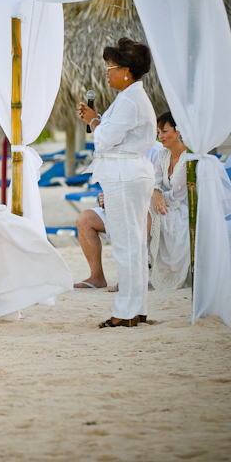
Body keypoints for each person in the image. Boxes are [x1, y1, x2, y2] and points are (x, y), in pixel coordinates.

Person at [78, 38, 157, 328]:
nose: (107, 73)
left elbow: (106, 138)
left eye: (111, 68)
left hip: (125, 174)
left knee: (126, 244)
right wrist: (97, 118)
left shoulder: (131, 100)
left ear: (126, 70)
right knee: (134, 244)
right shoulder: (130, 97)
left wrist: (94, 120)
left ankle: (124, 312)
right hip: (128, 172)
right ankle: (137, 308)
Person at [72, 142, 161, 291]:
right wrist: (105, 199)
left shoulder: (157, 151)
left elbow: (158, 189)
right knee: (84, 219)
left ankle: (134, 275)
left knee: (138, 217)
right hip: (118, 206)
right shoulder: (113, 148)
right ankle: (97, 277)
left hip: (146, 208)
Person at [147, 112, 191, 291]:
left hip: (182, 208)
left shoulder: (189, 158)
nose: (160, 136)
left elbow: (177, 195)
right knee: (142, 209)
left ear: (178, 131)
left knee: (145, 212)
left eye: (164, 131)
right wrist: (155, 194)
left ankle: (142, 269)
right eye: (158, 132)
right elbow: (154, 181)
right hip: (163, 204)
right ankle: (140, 268)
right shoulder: (162, 156)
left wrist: (156, 196)